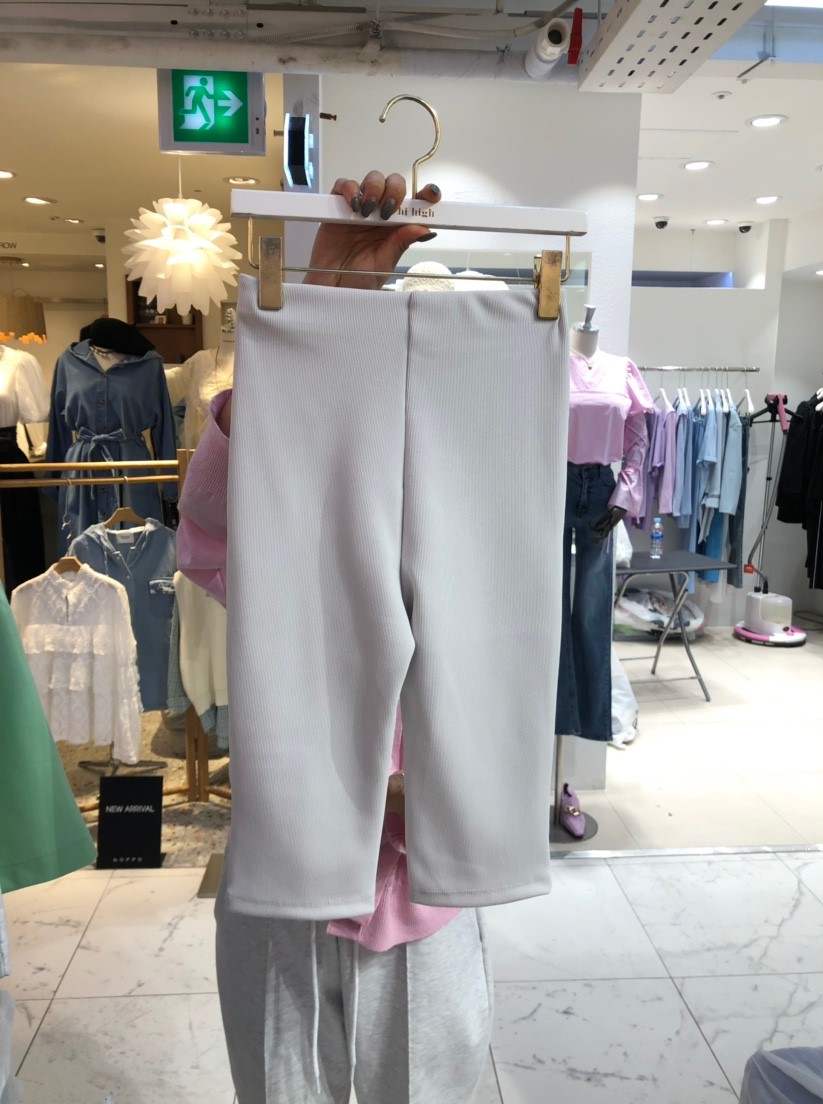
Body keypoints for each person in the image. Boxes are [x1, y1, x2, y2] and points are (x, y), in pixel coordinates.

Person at [177, 171, 493, 1104]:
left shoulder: (477, 505)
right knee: (281, 1084)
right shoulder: (288, 500)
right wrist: (317, 318)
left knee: (430, 1083)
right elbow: (215, 525)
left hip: (422, 885)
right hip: (286, 872)